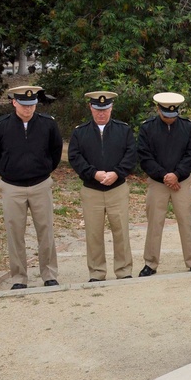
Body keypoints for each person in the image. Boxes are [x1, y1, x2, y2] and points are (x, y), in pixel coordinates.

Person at [0, 85, 63, 289]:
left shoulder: (48, 124)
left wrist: (44, 169)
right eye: (24, 105)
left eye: (32, 105)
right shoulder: (0, 126)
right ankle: (19, 278)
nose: (28, 109)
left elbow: (55, 152)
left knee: (45, 230)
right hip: (12, 187)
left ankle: (49, 274)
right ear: (14, 103)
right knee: (15, 233)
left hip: (40, 184)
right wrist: (7, 171)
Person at [68, 91, 137, 282]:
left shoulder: (123, 130)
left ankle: (124, 270)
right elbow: (74, 157)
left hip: (117, 188)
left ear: (111, 108)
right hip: (92, 190)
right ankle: (97, 273)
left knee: (121, 231)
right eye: (98, 109)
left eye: (105, 109)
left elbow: (131, 155)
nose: (101, 113)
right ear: (91, 107)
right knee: (94, 233)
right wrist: (93, 173)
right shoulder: (80, 132)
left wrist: (117, 173)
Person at [137, 92, 191, 276]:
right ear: (158, 109)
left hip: (181, 182)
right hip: (157, 183)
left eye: (173, 115)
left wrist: (176, 175)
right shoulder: (147, 128)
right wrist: (165, 176)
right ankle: (150, 264)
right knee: (155, 223)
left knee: (186, 221)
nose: (170, 119)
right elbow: (144, 156)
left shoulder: (187, 127)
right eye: (166, 115)